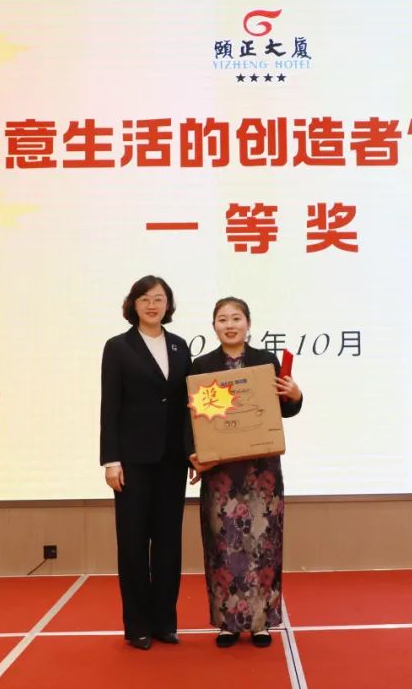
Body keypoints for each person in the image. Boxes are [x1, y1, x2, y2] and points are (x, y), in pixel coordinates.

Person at [187, 297, 303, 648]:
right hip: (221, 473)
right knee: (223, 546)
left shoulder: (265, 361)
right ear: (214, 326)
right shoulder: (201, 366)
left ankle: (261, 623)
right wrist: (194, 456)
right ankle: (228, 624)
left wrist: (295, 395)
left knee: (263, 545)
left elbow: (284, 410)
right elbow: (190, 419)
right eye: (222, 319)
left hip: (261, 472)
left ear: (248, 323)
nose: (230, 325)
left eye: (236, 318)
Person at [100, 275, 191, 650]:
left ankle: (164, 622)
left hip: (172, 461)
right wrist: (111, 460)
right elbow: (110, 406)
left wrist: (193, 452)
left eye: (159, 299)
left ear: (168, 304)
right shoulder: (118, 347)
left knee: (169, 543)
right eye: (145, 299)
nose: (153, 305)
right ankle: (137, 625)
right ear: (133, 305)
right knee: (134, 543)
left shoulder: (180, 345)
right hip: (133, 461)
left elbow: (187, 406)